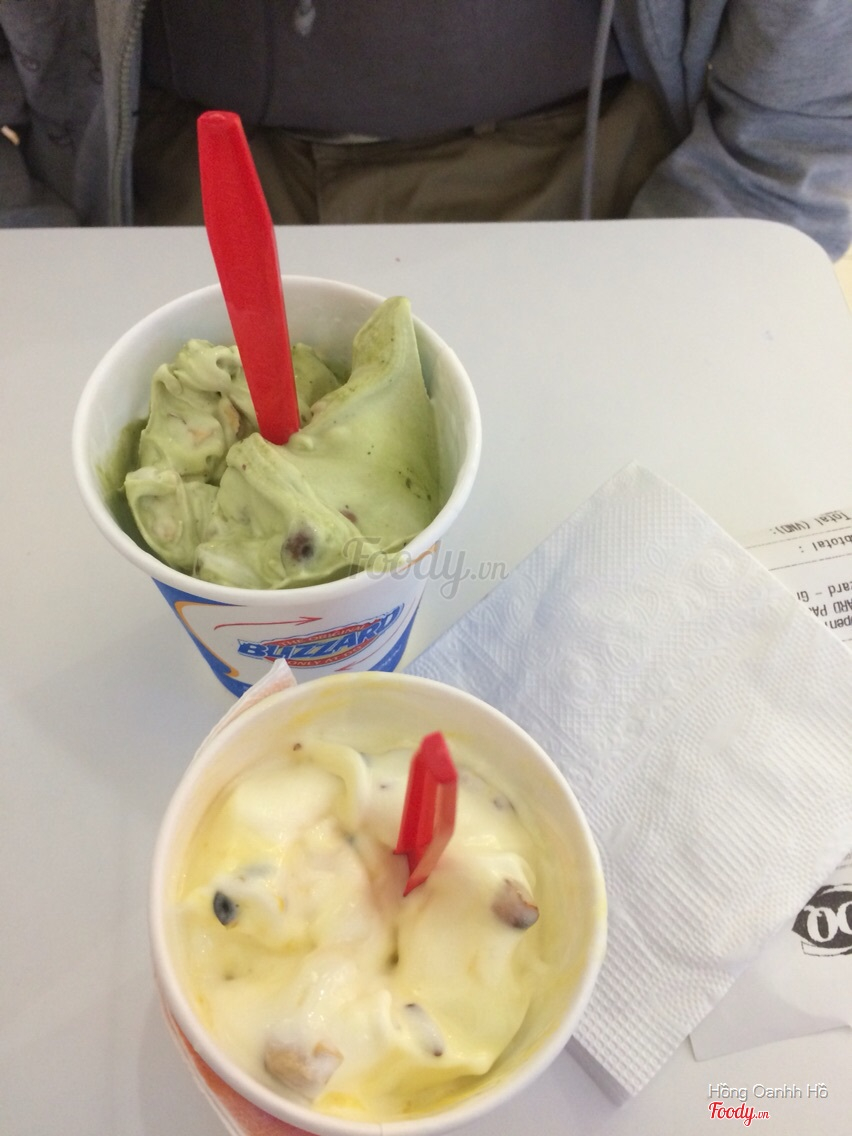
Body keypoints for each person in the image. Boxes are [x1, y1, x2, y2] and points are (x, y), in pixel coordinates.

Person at [1, 1, 850, 259]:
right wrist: (39, 266)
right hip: (146, 184)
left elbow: (799, 128)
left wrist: (692, 284)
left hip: (603, 188)